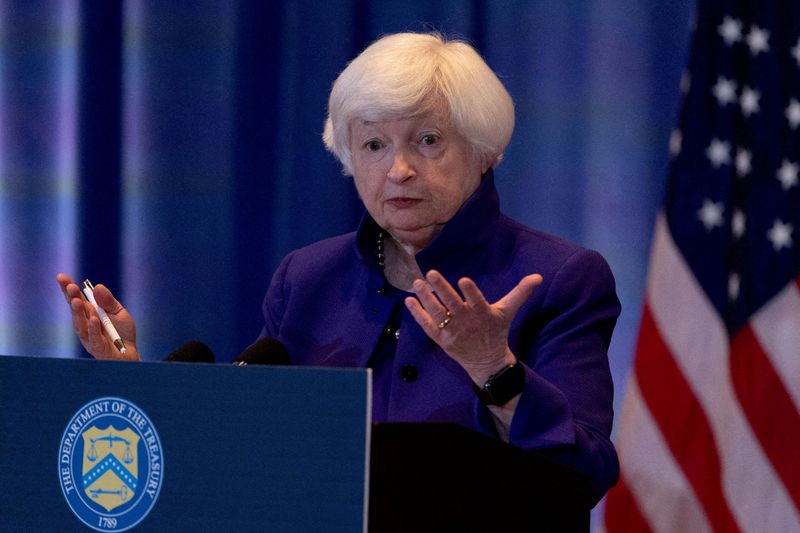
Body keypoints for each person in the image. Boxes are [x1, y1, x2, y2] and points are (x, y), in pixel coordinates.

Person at [57, 32, 621, 501]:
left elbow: (586, 474)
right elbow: (241, 451)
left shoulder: (559, 279)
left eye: (427, 140)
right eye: (373, 146)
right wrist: (136, 388)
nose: (398, 169)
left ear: (485, 151)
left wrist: (494, 368)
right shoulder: (306, 278)